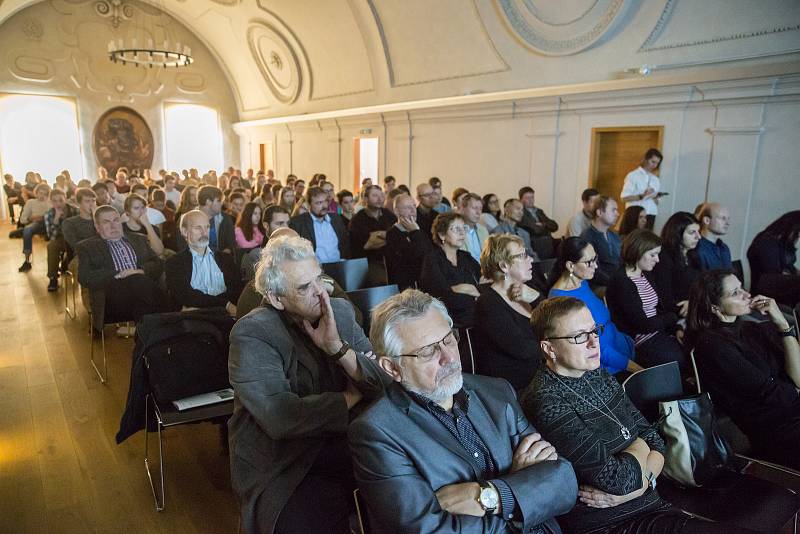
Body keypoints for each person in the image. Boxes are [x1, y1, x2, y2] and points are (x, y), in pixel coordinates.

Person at [349, 289, 578, 534]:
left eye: (448, 339)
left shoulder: (497, 391)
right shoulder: (376, 432)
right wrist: (523, 491)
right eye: (428, 351)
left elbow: (563, 481)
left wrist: (488, 496)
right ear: (392, 367)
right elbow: (430, 530)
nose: (448, 358)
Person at [520, 297, 750, 534]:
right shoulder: (546, 400)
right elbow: (617, 479)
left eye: (594, 331)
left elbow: (657, 442)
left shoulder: (596, 374)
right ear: (549, 348)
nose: (593, 342)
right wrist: (640, 447)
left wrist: (640, 486)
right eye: (578, 336)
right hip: (609, 523)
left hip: (649, 504)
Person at [228, 235, 387, 534]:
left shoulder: (338, 311)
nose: (321, 294)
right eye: (304, 288)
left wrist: (338, 348)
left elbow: (382, 384)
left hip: (347, 436)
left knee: (403, 486)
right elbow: (280, 417)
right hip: (284, 458)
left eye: (320, 279)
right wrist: (349, 397)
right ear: (276, 298)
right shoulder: (253, 332)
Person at [687, 270, 800, 469]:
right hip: (774, 430)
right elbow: (766, 391)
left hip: (791, 412)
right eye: (735, 292)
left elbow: (798, 377)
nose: (747, 295)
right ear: (714, 307)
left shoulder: (754, 329)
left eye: (742, 288)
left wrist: (783, 325)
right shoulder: (711, 344)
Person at [549, 237, 641, 376]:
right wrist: (637, 369)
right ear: (570, 266)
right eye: (589, 262)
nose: (596, 266)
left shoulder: (581, 281)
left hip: (620, 345)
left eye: (595, 259)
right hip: (608, 365)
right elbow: (597, 348)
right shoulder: (561, 299)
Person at [606, 229, 685, 371]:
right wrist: (672, 318)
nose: (658, 259)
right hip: (637, 337)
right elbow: (642, 325)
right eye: (653, 255)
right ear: (638, 252)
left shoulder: (645, 273)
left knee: (688, 344)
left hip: (655, 329)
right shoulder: (622, 281)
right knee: (676, 359)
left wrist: (675, 328)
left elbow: (658, 309)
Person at [473, 234, 543, 390]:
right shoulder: (488, 304)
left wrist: (537, 298)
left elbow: (556, 323)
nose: (531, 260)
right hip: (514, 388)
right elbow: (524, 350)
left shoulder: (529, 292)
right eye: (523, 256)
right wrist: (557, 344)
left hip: (540, 376)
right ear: (504, 266)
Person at [76, 205, 165, 323]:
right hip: (112, 298)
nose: (113, 226)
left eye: (116, 220)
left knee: (142, 307)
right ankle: (172, 311)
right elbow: (84, 277)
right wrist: (120, 274)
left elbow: (158, 264)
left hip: (142, 294)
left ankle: (146, 337)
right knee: (137, 281)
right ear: (97, 227)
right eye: (106, 222)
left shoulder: (139, 239)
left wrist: (141, 271)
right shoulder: (87, 247)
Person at [165, 210, 242, 315]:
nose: (204, 232)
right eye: (198, 228)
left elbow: (236, 291)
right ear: (184, 232)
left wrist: (204, 306)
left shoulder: (225, 259)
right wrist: (225, 304)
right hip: (195, 319)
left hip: (223, 315)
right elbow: (186, 296)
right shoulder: (174, 263)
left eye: (207, 227)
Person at [419, 212, 481, 327]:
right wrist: (473, 294)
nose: (462, 232)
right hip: (449, 317)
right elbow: (441, 296)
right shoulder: (432, 260)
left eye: (464, 228)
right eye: (456, 229)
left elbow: (484, 283)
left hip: (475, 312)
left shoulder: (466, 257)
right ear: (442, 235)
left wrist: (465, 289)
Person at [746, 211, 800, 307]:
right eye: (797, 232)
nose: (798, 236)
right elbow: (773, 275)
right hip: (764, 297)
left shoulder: (783, 244)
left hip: (778, 292)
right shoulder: (766, 242)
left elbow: (789, 267)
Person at [653, 212, 702, 317]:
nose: (698, 237)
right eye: (692, 232)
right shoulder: (663, 257)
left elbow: (703, 287)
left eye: (698, 231)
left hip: (694, 309)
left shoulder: (693, 256)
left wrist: (694, 304)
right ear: (677, 234)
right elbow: (664, 297)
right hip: (673, 314)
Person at [384, 193, 433, 291]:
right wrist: (415, 232)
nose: (413, 211)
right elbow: (415, 258)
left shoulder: (419, 229)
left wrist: (416, 232)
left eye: (414, 206)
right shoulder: (392, 234)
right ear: (397, 212)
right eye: (407, 207)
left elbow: (430, 254)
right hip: (406, 288)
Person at [289, 186, 350, 264]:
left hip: (338, 267)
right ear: (308, 205)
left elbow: (345, 244)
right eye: (319, 203)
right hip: (314, 271)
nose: (324, 206)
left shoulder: (336, 219)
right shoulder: (298, 223)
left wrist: (344, 260)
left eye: (325, 201)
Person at [348, 184, 396, 265]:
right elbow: (366, 245)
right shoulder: (357, 219)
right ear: (365, 199)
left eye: (381, 195)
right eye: (375, 196)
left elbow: (398, 237)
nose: (380, 199)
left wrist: (378, 235)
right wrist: (389, 237)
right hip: (368, 263)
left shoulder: (389, 215)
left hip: (389, 262)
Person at [580, 195, 622, 287]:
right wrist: (615, 283)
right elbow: (594, 271)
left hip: (615, 282)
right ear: (599, 212)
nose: (617, 214)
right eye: (613, 210)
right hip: (598, 286)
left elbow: (621, 261)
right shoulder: (587, 236)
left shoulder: (614, 235)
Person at [43, 189, 78, 291]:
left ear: (65, 199)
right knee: (51, 246)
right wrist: (56, 220)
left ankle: (67, 265)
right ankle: (53, 278)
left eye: (60, 200)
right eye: (54, 201)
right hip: (60, 238)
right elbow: (51, 237)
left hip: (74, 238)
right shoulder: (49, 214)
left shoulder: (75, 210)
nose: (58, 203)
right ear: (51, 202)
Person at [621, 148, 663, 229]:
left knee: (647, 239)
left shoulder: (656, 179)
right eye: (653, 162)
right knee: (632, 238)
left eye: (657, 163)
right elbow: (623, 198)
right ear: (646, 160)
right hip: (636, 214)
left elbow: (657, 202)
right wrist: (642, 195)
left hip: (651, 213)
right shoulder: (633, 175)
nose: (654, 165)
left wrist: (655, 197)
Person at [17, 183, 51, 272]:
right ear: (36, 193)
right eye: (40, 193)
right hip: (36, 224)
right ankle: (27, 261)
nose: (42, 196)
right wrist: (31, 218)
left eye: (45, 194)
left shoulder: (51, 203)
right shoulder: (30, 202)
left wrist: (45, 217)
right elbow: (22, 219)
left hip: (50, 224)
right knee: (27, 230)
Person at [693, 203, 732, 271]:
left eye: (728, 219)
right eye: (723, 218)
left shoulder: (724, 248)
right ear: (707, 220)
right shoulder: (696, 247)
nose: (727, 223)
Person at [458, 193, 490, 263]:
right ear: (463, 208)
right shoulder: (456, 229)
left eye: (480, 209)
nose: (478, 212)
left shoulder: (483, 230)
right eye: (474, 208)